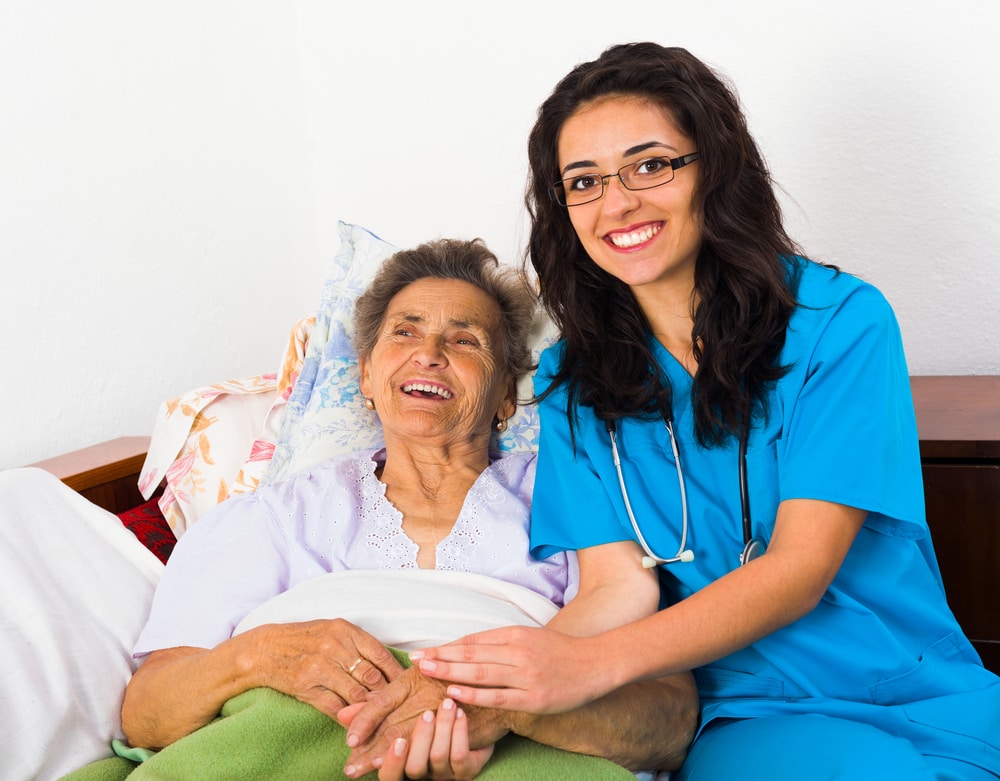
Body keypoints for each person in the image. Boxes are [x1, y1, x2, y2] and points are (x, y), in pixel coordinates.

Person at [366, 44, 1000, 780]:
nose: (618, 202)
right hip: (756, 713)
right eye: (585, 181)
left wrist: (581, 668)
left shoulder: (841, 323)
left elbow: (799, 566)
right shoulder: (574, 380)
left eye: (650, 164)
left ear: (716, 168)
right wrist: (484, 694)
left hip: (918, 687)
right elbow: (617, 586)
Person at [108, 238, 697, 780]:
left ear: (503, 397)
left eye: (466, 340)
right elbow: (147, 713)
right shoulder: (276, 514)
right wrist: (257, 657)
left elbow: (670, 719)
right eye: (404, 333)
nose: (430, 355)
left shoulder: (582, 500)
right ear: (365, 375)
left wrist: (505, 706)